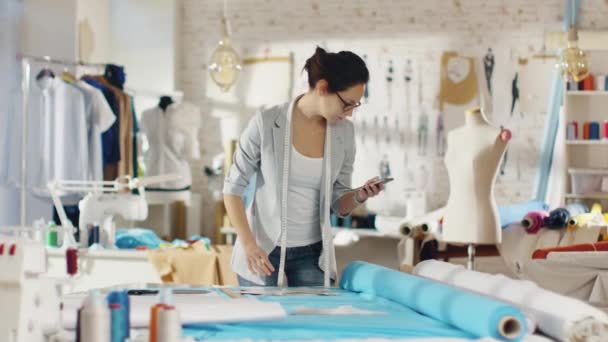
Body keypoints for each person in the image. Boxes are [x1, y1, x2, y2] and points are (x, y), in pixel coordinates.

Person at [223, 46, 385, 287]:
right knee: (264, 321)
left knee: (314, 319)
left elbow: (339, 204)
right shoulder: (265, 124)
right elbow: (232, 190)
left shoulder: (344, 134)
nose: (350, 114)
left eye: (355, 106)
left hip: (311, 253)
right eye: (347, 104)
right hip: (262, 250)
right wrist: (248, 245)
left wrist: (359, 195)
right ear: (322, 88)